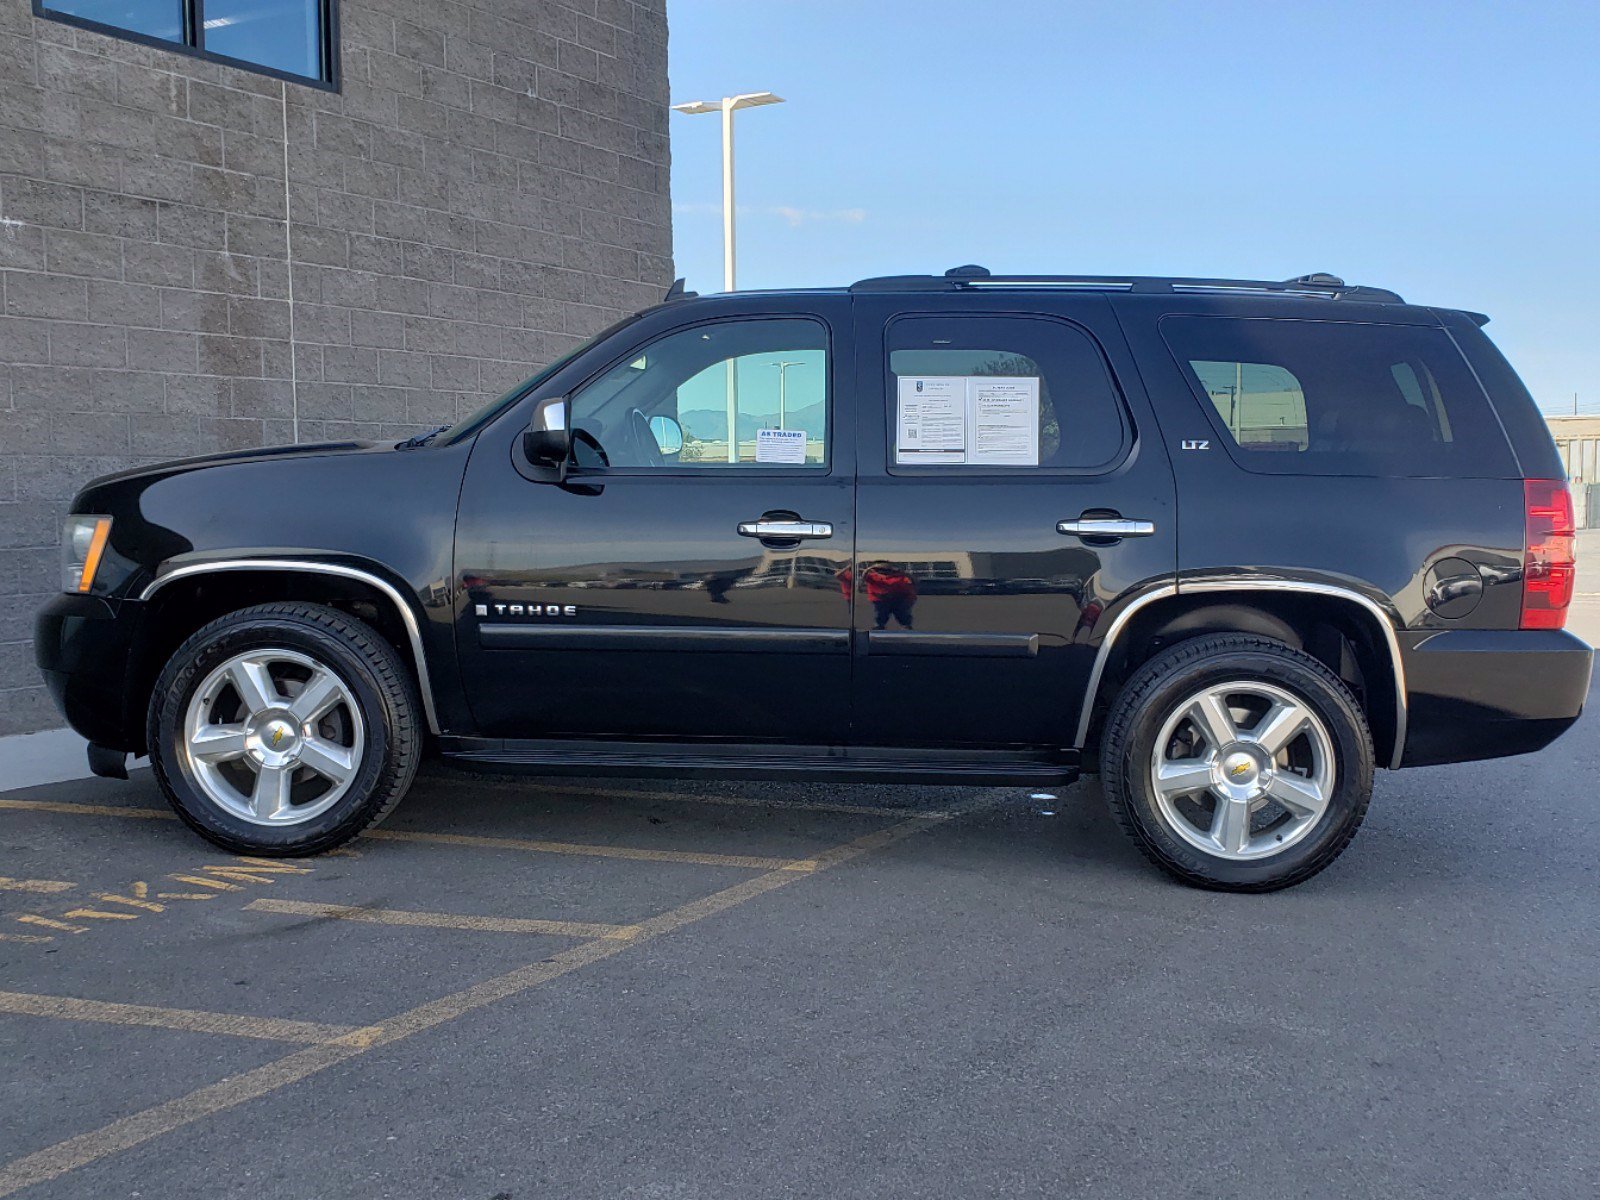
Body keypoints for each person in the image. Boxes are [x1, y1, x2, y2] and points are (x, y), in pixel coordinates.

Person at [862, 563, 917, 630]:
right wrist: (870, 569)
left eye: (886, 570)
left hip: (899, 600)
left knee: (902, 616)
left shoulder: (900, 577)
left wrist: (903, 573)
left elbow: (913, 582)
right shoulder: (873, 576)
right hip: (881, 600)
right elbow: (863, 578)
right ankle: (879, 627)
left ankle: (906, 626)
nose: (884, 572)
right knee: (880, 616)